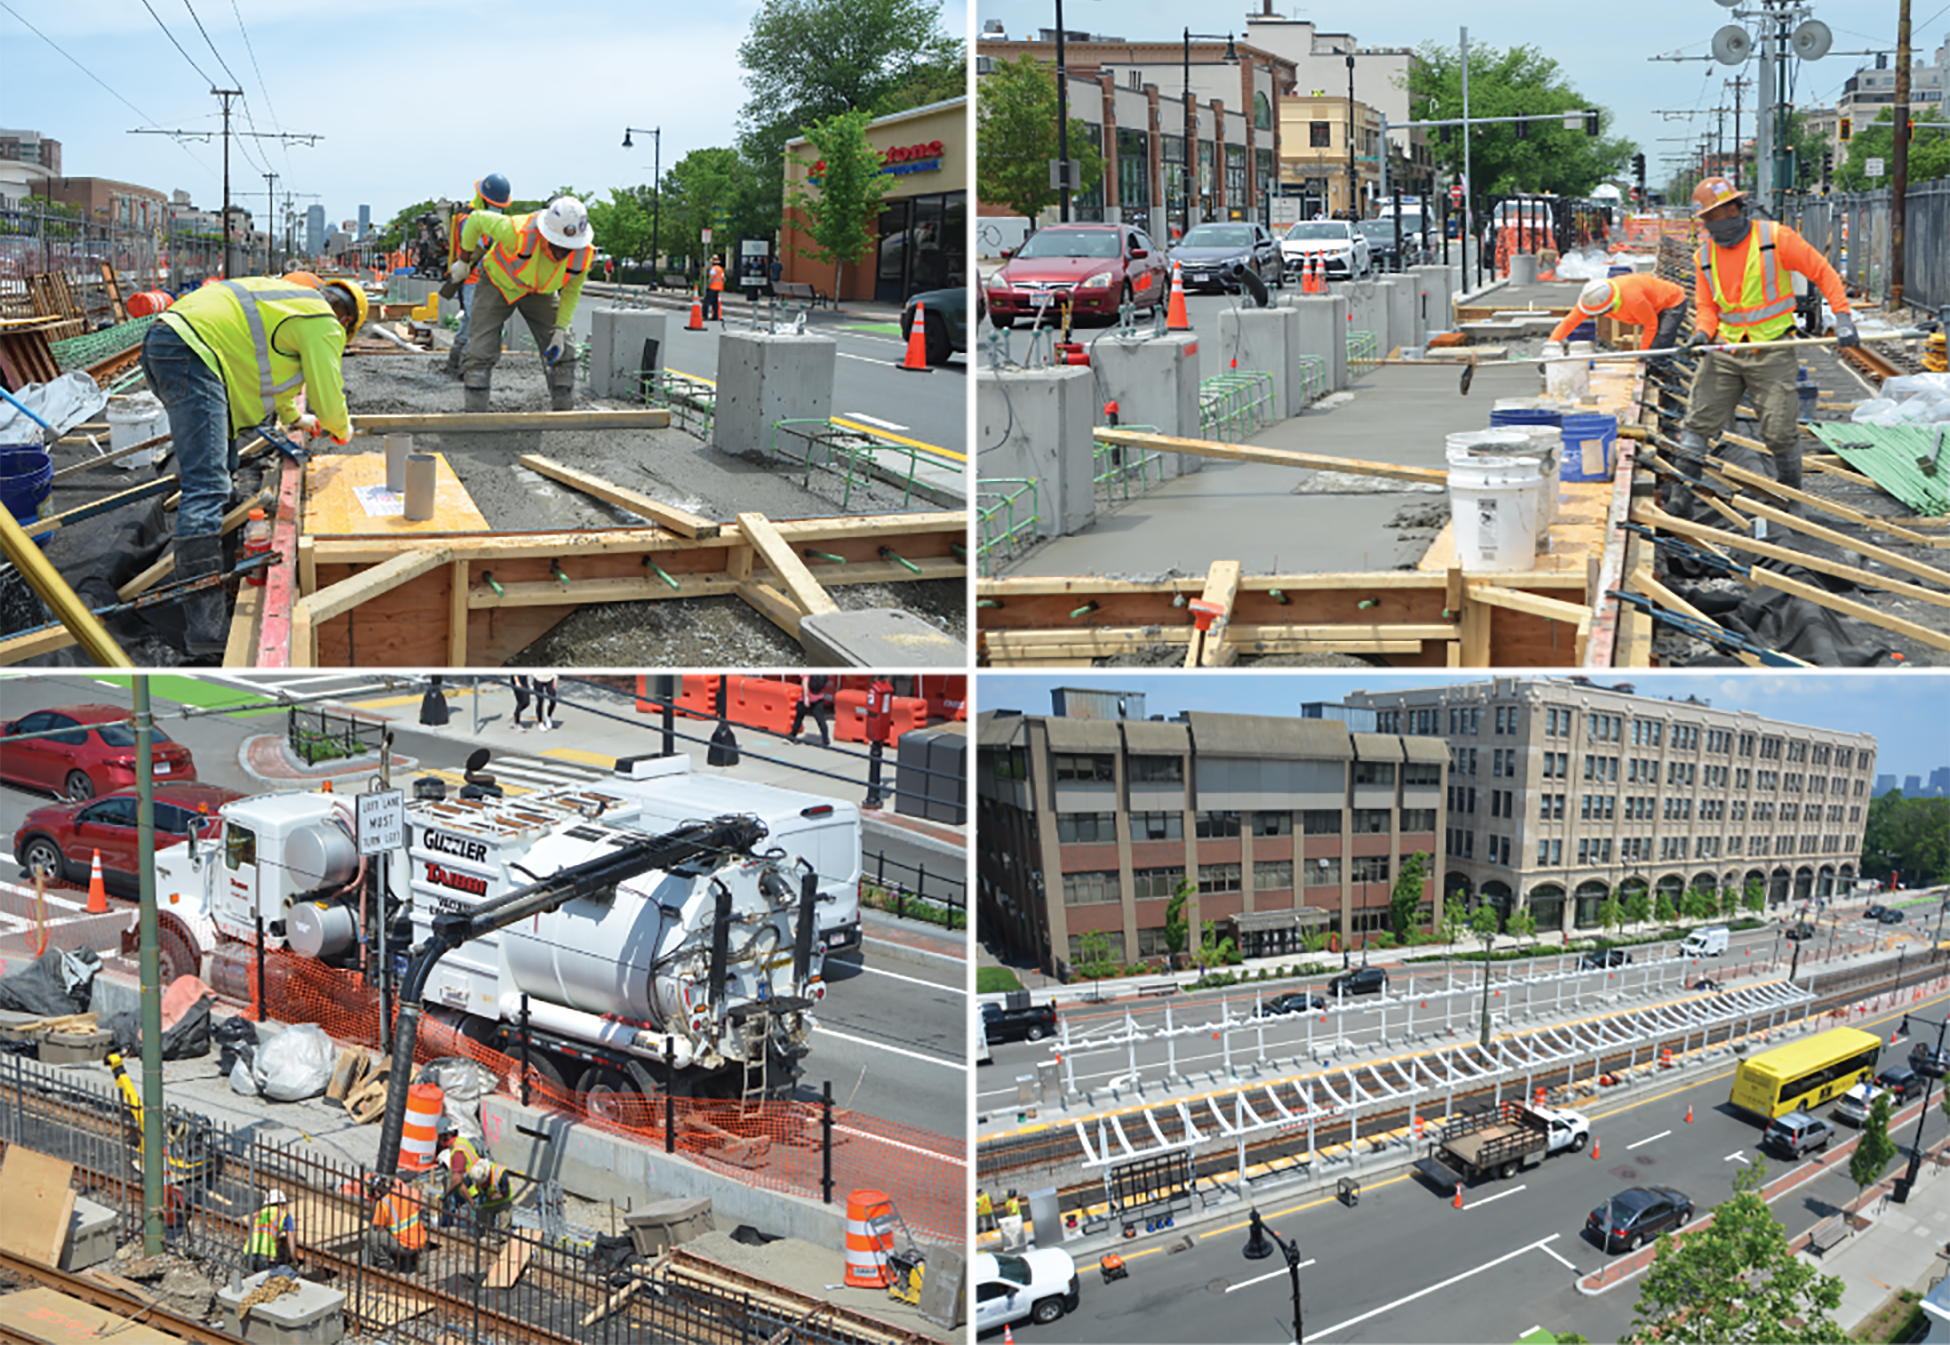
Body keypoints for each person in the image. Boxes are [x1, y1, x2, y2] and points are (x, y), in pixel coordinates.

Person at [141, 274, 365, 655]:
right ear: (346, 322)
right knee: (207, 486)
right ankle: (205, 629)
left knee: (220, 464)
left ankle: (218, 574)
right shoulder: (323, 322)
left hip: (168, 341)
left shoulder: (293, 304)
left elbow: (274, 375)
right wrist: (340, 429)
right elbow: (328, 397)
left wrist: (295, 418)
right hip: (192, 351)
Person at [1678, 176, 1855, 492]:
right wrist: (1702, 333)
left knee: (1778, 430)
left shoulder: (1775, 239)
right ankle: (1681, 497)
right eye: (1707, 221)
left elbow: (1822, 271)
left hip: (1771, 349)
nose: (1712, 226)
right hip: (1725, 350)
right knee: (1698, 421)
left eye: (1716, 217)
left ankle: (1790, 493)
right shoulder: (1704, 256)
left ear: (1736, 208)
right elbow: (1706, 306)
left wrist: (1843, 317)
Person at [457, 195, 596, 413]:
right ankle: (475, 416)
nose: (561, 253)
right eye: (557, 246)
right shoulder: (517, 231)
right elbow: (475, 220)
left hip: (539, 291)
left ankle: (563, 415)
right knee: (480, 350)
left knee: (564, 350)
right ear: (544, 234)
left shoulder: (583, 254)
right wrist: (463, 261)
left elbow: (571, 292)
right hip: (499, 283)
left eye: (568, 248)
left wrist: (559, 329)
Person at [443, 174, 515, 378]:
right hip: (473, 279)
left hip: (489, 279)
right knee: (473, 321)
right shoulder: (470, 220)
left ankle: (462, 366)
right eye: (494, 204)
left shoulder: (495, 221)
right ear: (484, 199)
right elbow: (475, 250)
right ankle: (460, 366)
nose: (497, 208)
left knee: (478, 322)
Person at [1547, 273, 1689, 363]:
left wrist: (1642, 356)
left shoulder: (1633, 299)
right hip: (1649, 306)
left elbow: (1651, 325)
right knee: (1651, 353)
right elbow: (1569, 322)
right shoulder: (1592, 298)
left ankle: (1673, 398)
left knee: (1658, 352)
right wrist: (1549, 349)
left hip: (1671, 302)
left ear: (1609, 305)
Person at [364, 1173, 427, 1272]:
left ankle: (387, 1264)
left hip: (406, 1247)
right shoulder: (401, 1193)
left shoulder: (383, 1203)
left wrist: (386, 1229)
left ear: (376, 1192)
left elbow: (378, 1228)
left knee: (371, 1236)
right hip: (420, 1241)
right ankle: (419, 1259)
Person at [457, 1158, 515, 1235]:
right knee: (485, 1229)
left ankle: (503, 1244)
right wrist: (473, 1204)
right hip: (487, 1204)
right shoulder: (474, 1172)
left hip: (503, 1201)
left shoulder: (500, 1174)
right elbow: (462, 1187)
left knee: (503, 1228)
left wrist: (489, 1199)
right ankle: (487, 1243)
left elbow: (505, 1194)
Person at [246, 1189, 296, 1272]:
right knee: (267, 1282)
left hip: (249, 1252)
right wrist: (295, 1260)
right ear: (281, 1204)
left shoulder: (257, 1214)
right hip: (266, 1255)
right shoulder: (283, 1214)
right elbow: (291, 1238)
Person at [791, 671, 832, 746]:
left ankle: (791, 737)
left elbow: (805, 683)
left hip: (807, 698)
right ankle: (826, 740)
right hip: (819, 697)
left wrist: (806, 697)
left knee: (799, 717)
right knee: (821, 720)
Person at [704, 254, 725, 322]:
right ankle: (715, 316)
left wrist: (708, 285)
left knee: (706, 302)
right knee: (715, 303)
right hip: (718, 288)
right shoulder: (720, 269)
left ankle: (705, 315)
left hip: (712, 287)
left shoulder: (713, 269)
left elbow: (712, 278)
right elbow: (724, 279)